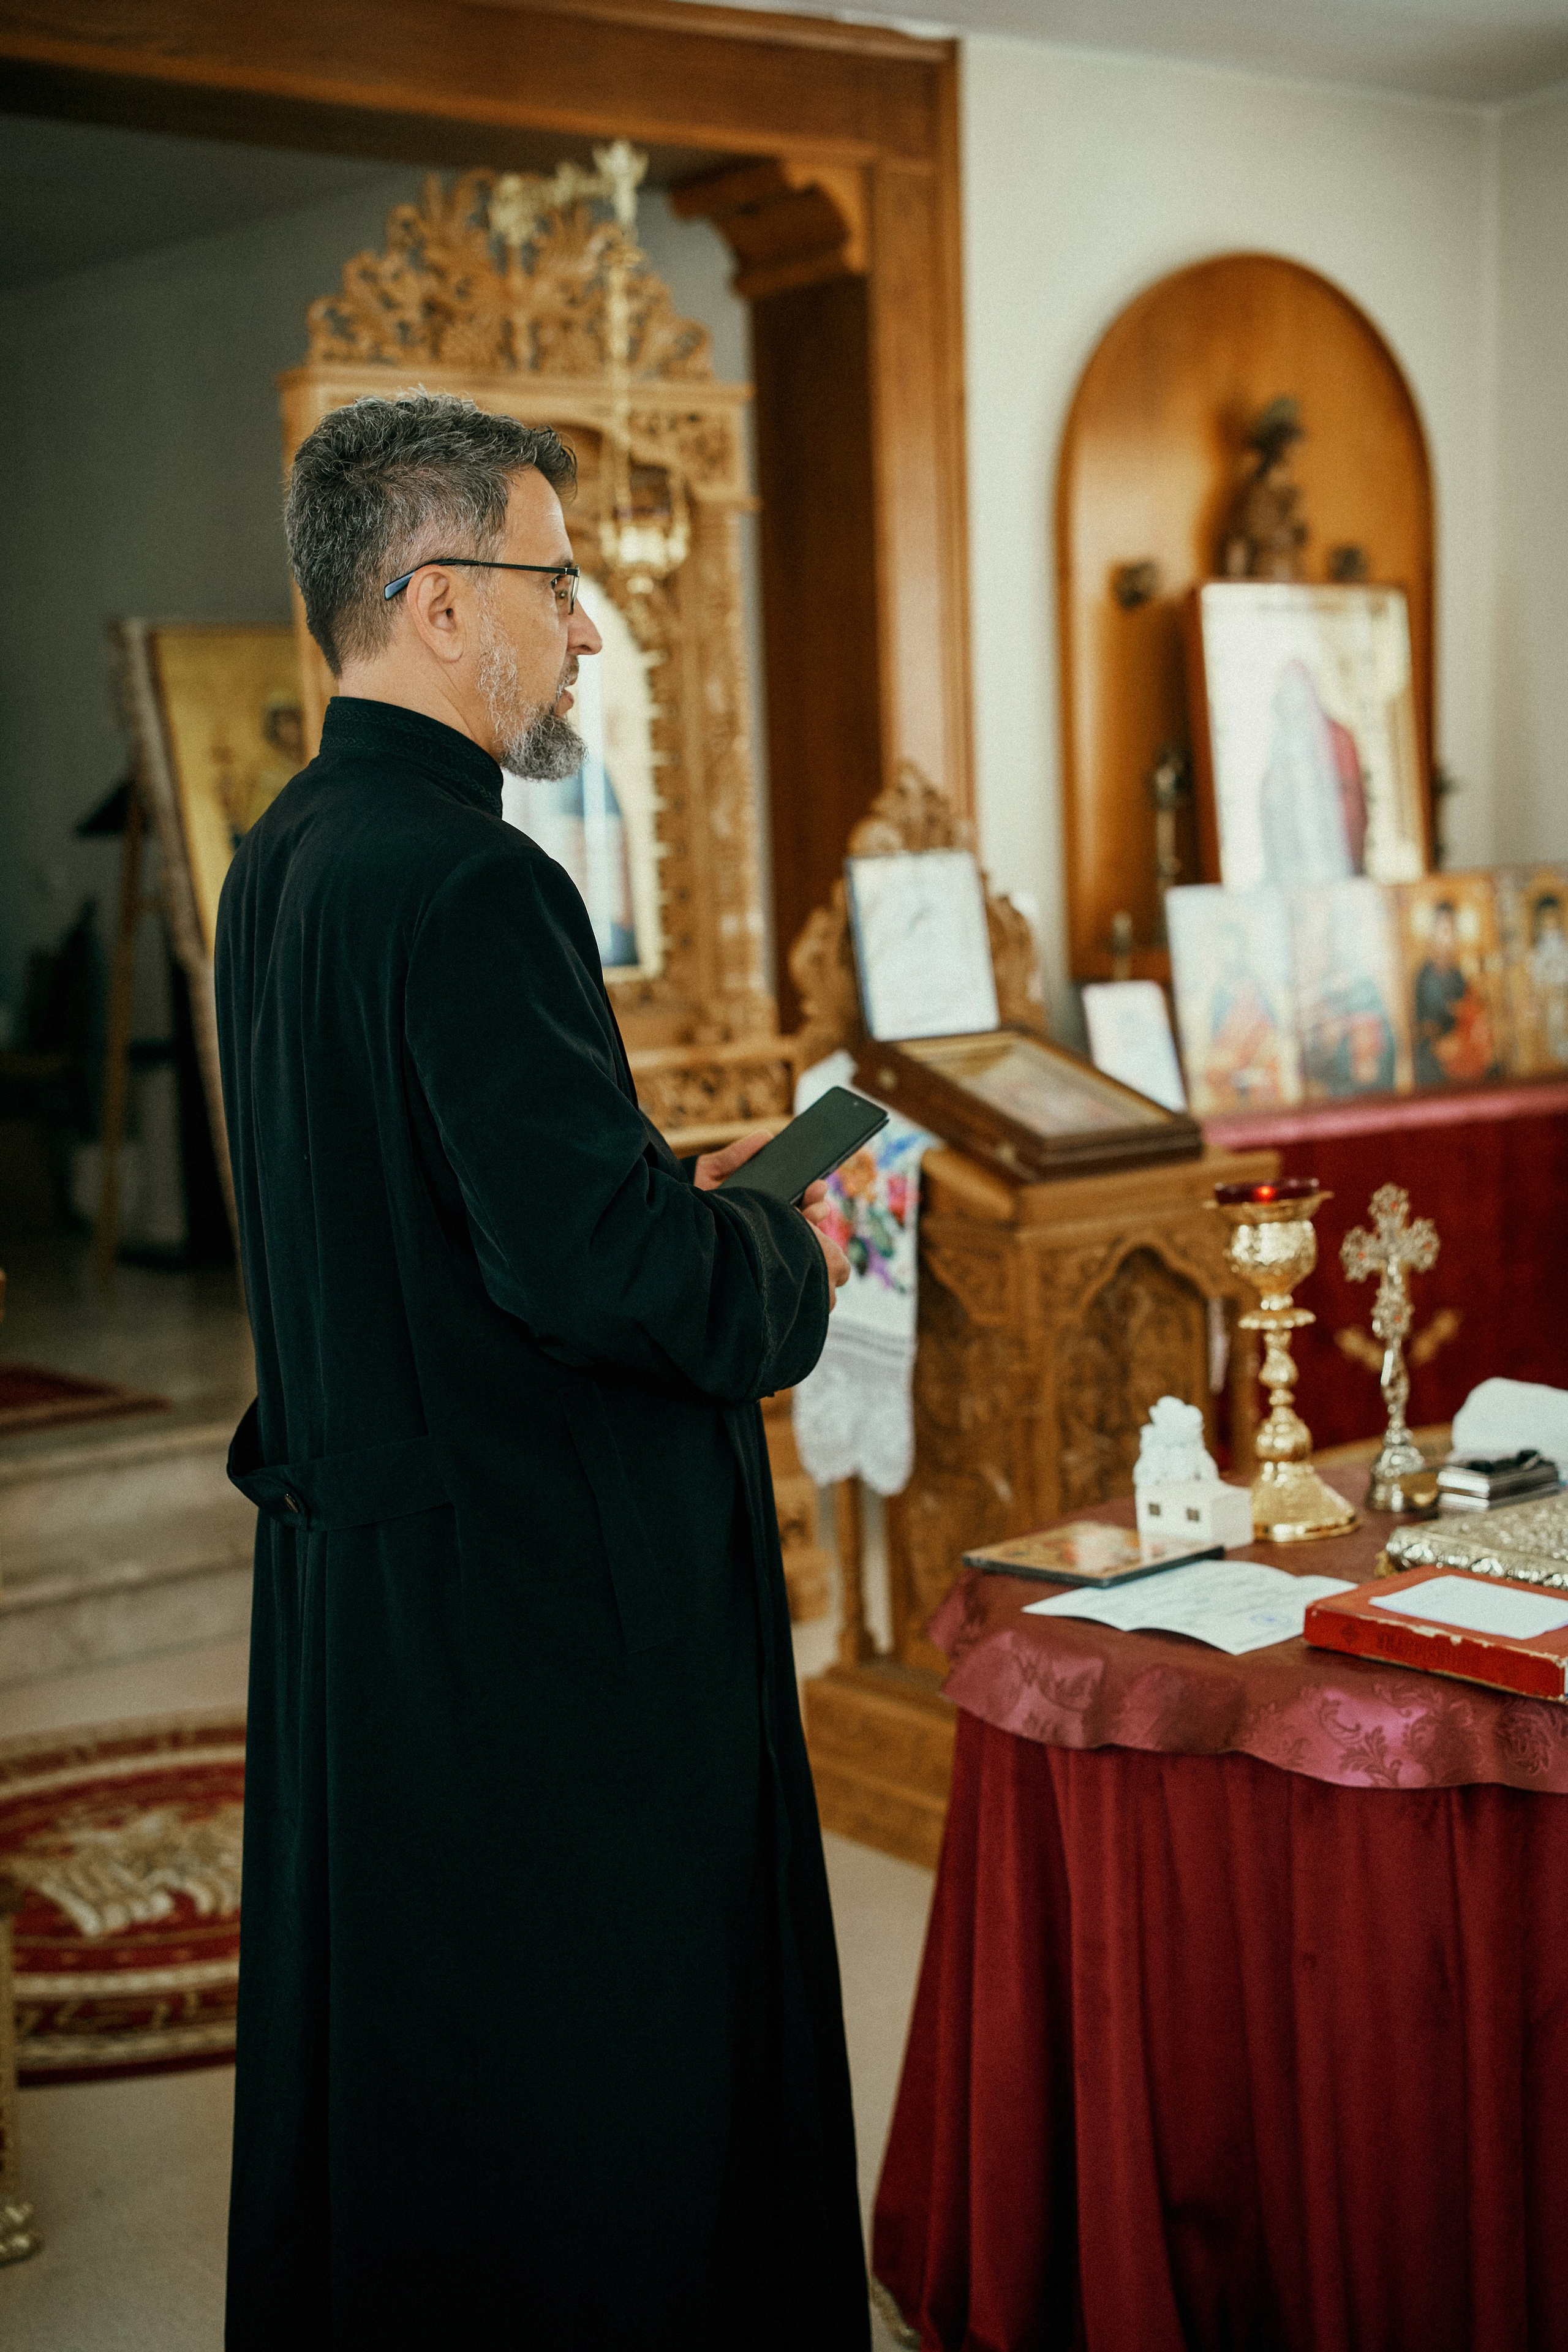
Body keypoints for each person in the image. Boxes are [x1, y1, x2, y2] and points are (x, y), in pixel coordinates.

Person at [214, 390, 864, 2351]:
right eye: (557, 578)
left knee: (425, 2076)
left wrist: (652, 1182)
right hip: (533, 1620)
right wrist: (775, 1245)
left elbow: (408, 1201)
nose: (588, 627)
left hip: (381, 1593)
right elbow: (604, 1288)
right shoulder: (480, 880)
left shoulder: (288, 853)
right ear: (434, 599)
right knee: (598, 2090)